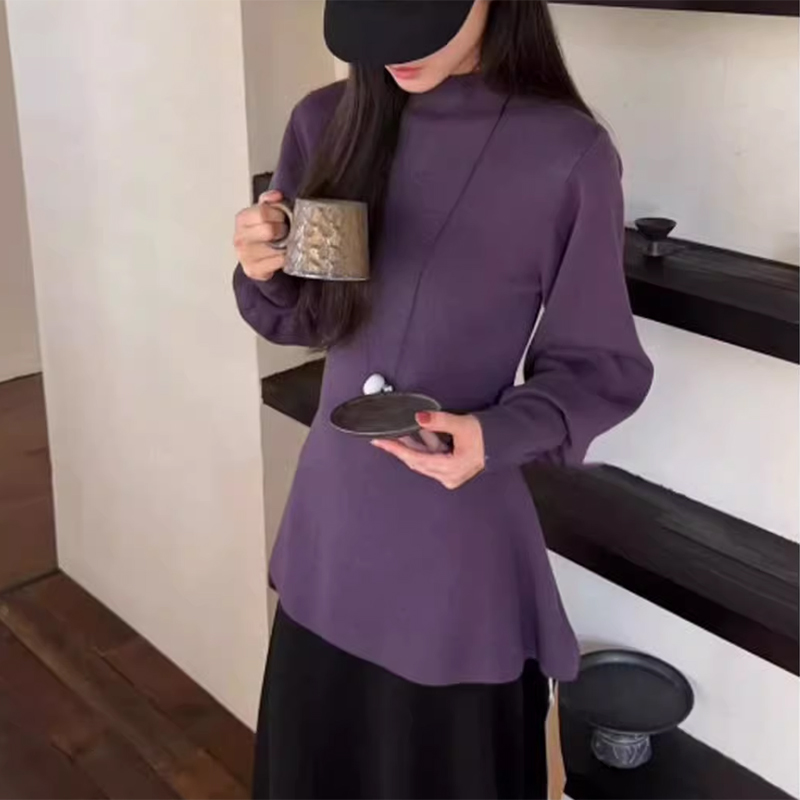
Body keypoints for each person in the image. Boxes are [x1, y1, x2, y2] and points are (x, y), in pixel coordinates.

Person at [233, 1, 653, 797]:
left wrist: (494, 437)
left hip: (453, 554)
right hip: (330, 532)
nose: (396, 53)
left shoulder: (566, 156)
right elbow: (313, 318)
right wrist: (266, 270)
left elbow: (599, 365)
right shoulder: (326, 122)